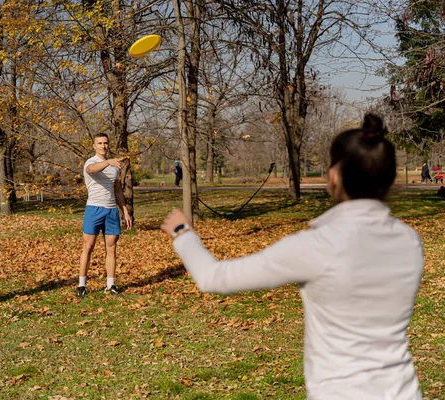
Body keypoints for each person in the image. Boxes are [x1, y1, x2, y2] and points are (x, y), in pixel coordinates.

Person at [161, 114, 423, 399]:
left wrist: (183, 233)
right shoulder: (409, 240)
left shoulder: (319, 244)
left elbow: (214, 278)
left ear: (334, 176)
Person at [77, 133, 133, 298]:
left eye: (105, 143)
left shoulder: (114, 166)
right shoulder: (91, 162)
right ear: (94, 146)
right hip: (94, 209)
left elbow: (117, 190)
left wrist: (125, 211)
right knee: (88, 247)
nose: (103, 146)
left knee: (111, 248)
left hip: (111, 211)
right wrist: (108, 161)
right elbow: (91, 170)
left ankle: (111, 285)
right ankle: (81, 285)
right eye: (100, 143)